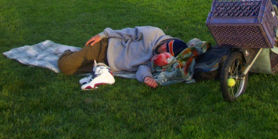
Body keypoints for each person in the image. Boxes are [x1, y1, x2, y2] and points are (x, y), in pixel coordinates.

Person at [58, 26, 187, 89]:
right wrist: (103, 35)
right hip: (104, 48)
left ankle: (100, 68)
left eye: (167, 52)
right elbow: (128, 32)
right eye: (166, 45)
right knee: (65, 66)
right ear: (168, 40)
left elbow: (143, 68)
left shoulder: (158, 60)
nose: (163, 49)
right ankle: (68, 52)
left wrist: (147, 77)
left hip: (109, 65)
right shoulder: (154, 33)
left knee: (71, 71)